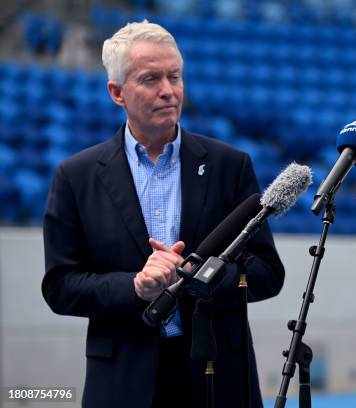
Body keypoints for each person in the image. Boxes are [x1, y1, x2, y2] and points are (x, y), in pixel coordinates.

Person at [41, 21, 284, 408]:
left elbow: (267, 274)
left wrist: (201, 279)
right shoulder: (76, 177)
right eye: (151, 78)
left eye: (175, 76)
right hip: (122, 382)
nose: (168, 91)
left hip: (217, 379)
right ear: (117, 92)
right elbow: (60, 287)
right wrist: (136, 286)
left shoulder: (230, 166)